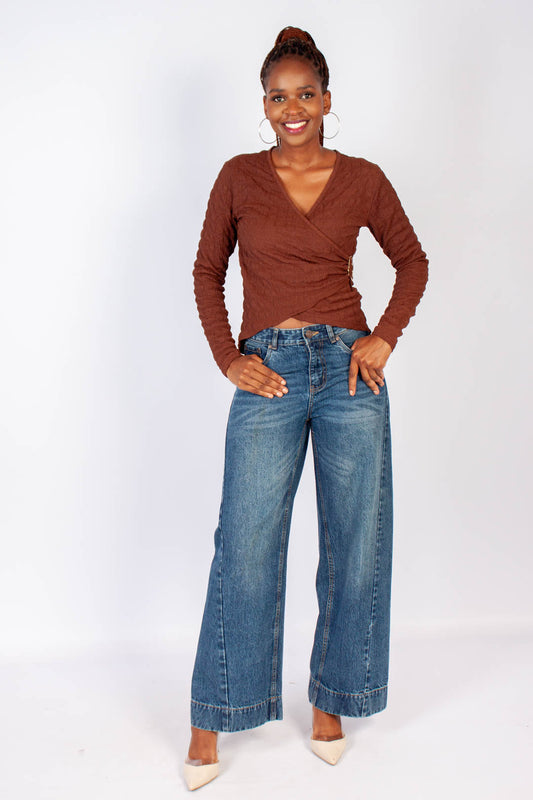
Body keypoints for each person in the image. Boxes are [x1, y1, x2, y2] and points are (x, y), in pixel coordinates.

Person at [183, 26, 429, 791]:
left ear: (326, 100)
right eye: (277, 97)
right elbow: (206, 271)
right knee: (244, 542)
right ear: (264, 105)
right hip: (271, 369)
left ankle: (331, 703)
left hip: (350, 370)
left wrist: (382, 338)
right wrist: (229, 357)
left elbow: (412, 261)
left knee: (355, 542)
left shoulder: (362, 179)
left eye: (304, 95)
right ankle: (212, 712)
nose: (291, 109)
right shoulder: (237, 177)